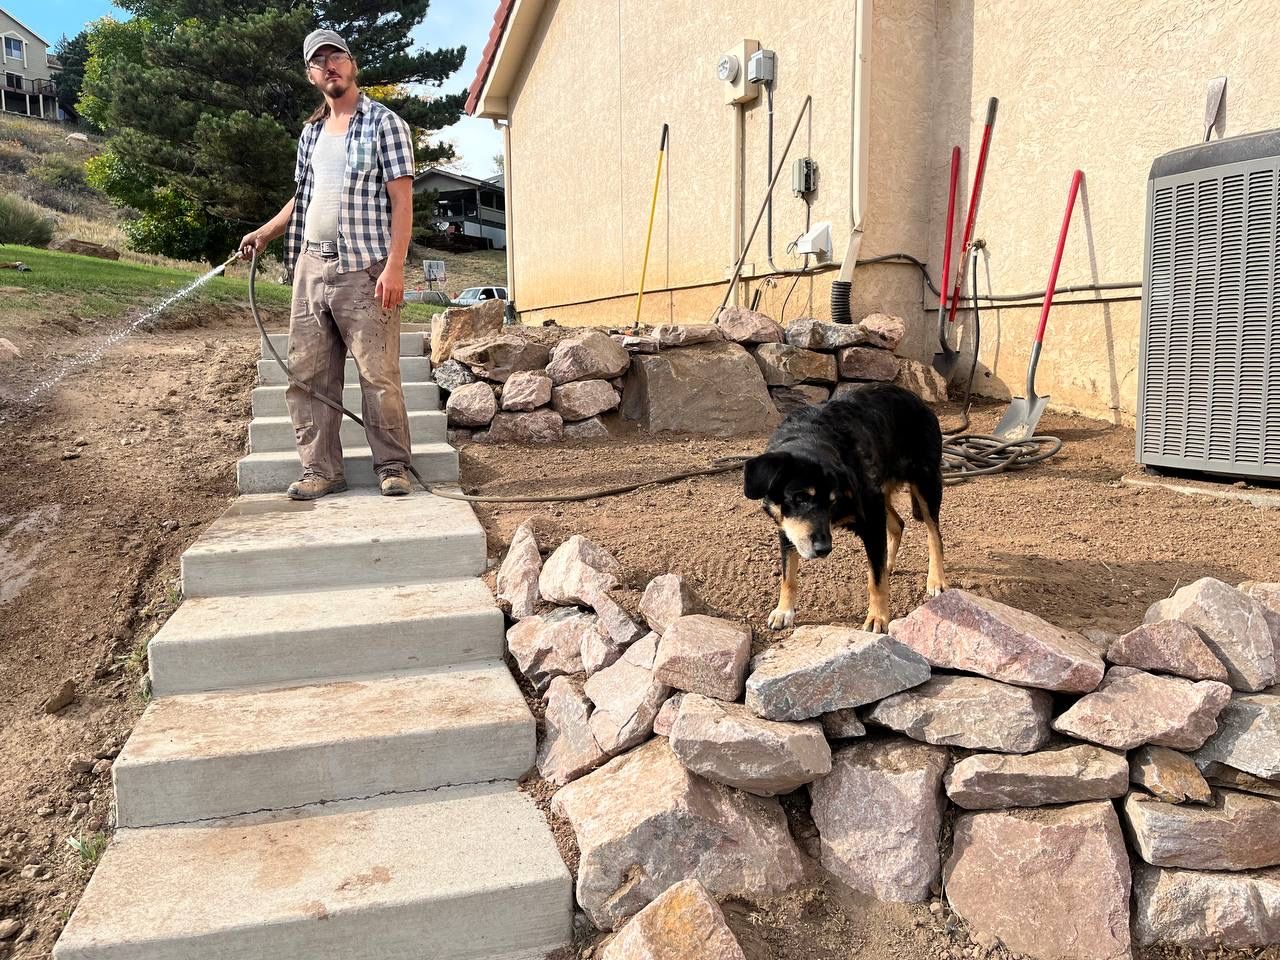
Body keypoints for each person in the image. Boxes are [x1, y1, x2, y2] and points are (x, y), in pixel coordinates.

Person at [240, 28, 415, 499]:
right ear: (311, 74)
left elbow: (402, 202)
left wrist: (395, 265)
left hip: (367, 268)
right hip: (311, 267)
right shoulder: (311, 133)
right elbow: (303, 198)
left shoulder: (385, 123)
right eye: (319, 61)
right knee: (308, 376)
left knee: (378, 376)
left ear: (351, 63)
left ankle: (394, 465)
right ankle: (321, 470)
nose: (329, 65)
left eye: (336, 55)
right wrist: (265, 233)